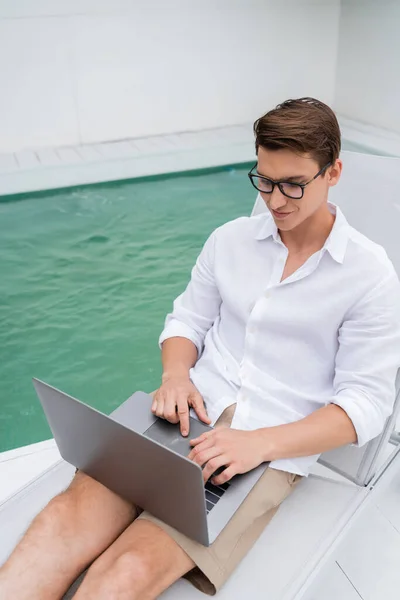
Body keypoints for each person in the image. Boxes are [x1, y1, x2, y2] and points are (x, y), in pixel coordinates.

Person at [1, 97, 400, 599]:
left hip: (265, 449)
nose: (276, 201)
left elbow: (364, 406)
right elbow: (185, 322)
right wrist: (175, 376)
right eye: (264, 180)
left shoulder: (370, 276)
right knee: (61, 524)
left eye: (294, 185)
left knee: (126, 570)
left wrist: (259, 443)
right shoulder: (229, 241)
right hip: (183, 418)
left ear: (333, 172)